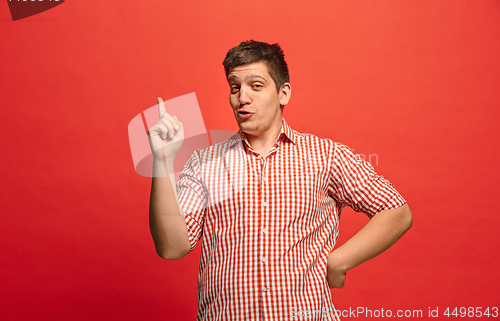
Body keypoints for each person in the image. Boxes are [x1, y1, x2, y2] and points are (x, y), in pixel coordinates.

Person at [147, 40, 413, 320]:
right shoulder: (204, 162)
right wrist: (162, 160)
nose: (242, 97)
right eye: (235, 87)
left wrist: (339, 260)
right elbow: (172, 247)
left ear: (283, 93)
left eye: (256, 85)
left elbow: (397, 211)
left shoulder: (326, 156)